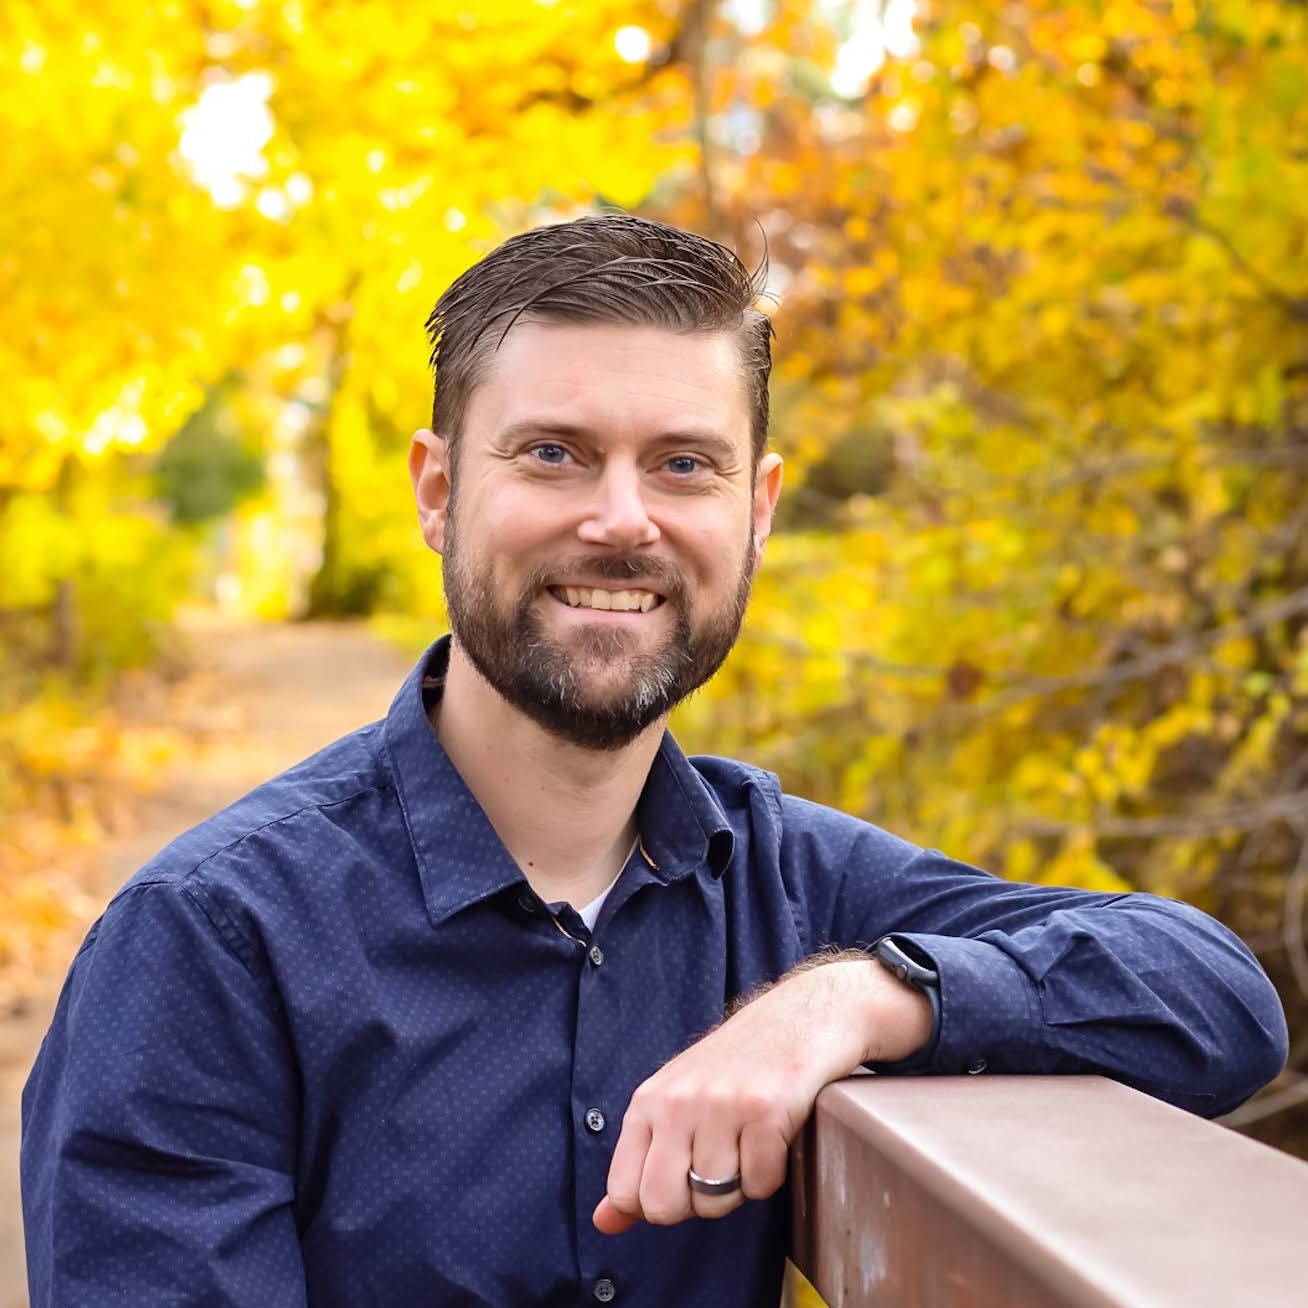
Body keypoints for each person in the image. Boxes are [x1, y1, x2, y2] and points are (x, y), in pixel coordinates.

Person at [22, 213, 1287, 1308]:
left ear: (759, 510)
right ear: (436, 489)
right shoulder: (206, 945)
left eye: (684, 465)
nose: (621, 520)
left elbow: (1216, 999)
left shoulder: (789, 886)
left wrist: (846, 1000)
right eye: (553, 452)